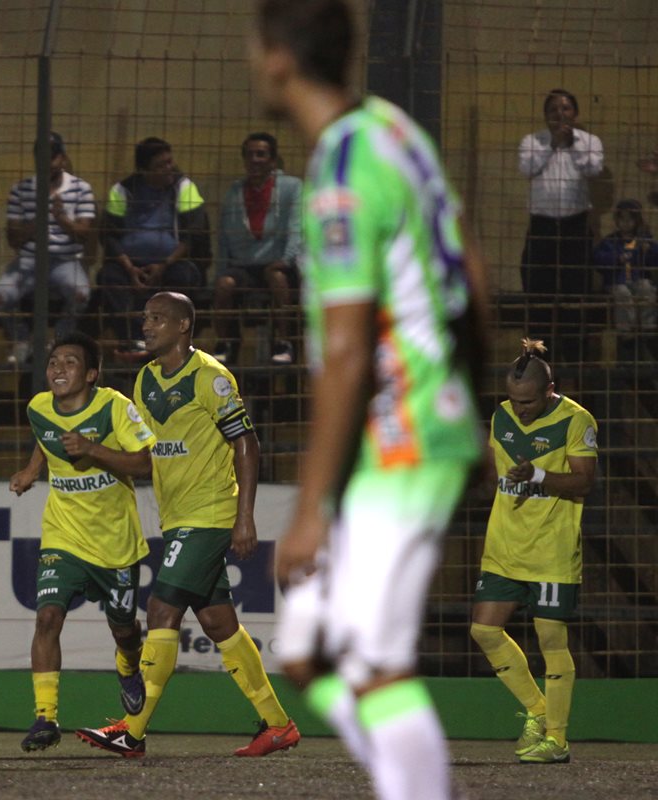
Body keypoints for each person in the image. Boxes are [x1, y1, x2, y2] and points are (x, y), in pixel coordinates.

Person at [253, 2, 489, 799]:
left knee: (376, 666)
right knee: (307, 649)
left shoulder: (342, 174)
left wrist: (311, 504)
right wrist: (476, 404)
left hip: (403, 433)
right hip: (410, 431)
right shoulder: (397, 133)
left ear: (279, 58)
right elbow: (475, 281)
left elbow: (347, 352)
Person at [76, 292, 297, 758]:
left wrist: (244, 518)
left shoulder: (211, 378)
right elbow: (146, 455)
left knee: (160, 609)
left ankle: (132, 731)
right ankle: (278, 725)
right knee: (219, 624)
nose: (147, 325)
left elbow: (246, 444)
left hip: (210, 511)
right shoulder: (145, 379)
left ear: (183, 327)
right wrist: (96, 452)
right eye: (144, 317)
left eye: (157, 318)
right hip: (177, 516)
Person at [9, 333, 154, 752]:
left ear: (91, 374)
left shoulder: (114, 407)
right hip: (64, 532)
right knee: (48, 617)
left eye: (70, 362)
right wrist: (31, 470)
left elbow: (145, 463)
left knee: (124, 630)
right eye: (53, 362)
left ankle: (128, 667)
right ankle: (45, 718)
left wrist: (94, 449)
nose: (58, 368)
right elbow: (46, 434)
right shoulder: (38, 407)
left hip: (115, 543)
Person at [471, 339, 596, 764]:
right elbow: (496, 471)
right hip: (504, 543)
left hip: (552, 549)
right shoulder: (501, 416)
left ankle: (557, 740)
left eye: (527, 401)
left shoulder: (576, 421)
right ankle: (539, 710)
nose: (519, 408)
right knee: (484, 631)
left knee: (550, 639)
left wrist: (539, 474)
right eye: (513, 400)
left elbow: (583, 482)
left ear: (549, 390)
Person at [99, 138, 210, 358]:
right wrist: (130, 269)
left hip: (170, 262)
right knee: (108, 277)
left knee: (186, 276)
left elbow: (193, 235)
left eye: (170, 162)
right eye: (161, 165)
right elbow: (109, 236)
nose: (169, 168)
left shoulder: (183, 187)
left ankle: (169, 339)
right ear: (144, 170)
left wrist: (164, 264)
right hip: (131, 265)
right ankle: (133, 338)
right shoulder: (123, 190)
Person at [0, 132, 96, 367]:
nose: (46, 164)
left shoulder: (81, 189)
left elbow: (82, 235)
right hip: (29, 260)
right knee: (0, 297)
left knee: (81, 294)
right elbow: (13, 238)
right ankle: (21, 339)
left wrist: (62, 220)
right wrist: (37, 221)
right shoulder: (22, 189)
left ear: (61, 159)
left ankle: (59, 339)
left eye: (51, 158)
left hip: (65, 260)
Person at [518, 89, 604, 361]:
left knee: (575, 291)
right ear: (546, 116)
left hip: (575, 226)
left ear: (575, 114)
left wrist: (572, 144)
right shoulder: (533, 141)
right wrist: (553, 144)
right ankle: (538, 357)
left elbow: (594, 169)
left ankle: (576, 354)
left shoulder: (589, 141)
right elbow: (526, 168)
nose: (560, 114)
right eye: (553, 109)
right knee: (536, 290)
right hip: (542, 226)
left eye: (566, 108)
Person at [213, 132, 302, 365]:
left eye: (261, 154)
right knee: (224, 285)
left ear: (272, 160)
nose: (255, 159)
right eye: (250, 155)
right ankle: (226, 343)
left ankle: (284, 342)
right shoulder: (234, 193)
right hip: (244, 266)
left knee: (277, 277)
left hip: (277, 263)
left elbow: (297, 226)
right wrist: (221, 271)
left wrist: (287, 259)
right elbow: (224, 236)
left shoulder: (292, 188)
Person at [592, 199, 658, 341]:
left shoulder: (643, 239)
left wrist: (650, 250)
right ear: (617, 220)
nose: (626, 223)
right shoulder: (610, 241)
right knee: (623, 293)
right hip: (617, 281)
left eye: (630, 219)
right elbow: (598, 260)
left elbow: (654, 260)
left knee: (646, 288)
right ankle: (626, 331)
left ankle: (649, 327)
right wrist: (617, 259)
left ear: (637, 221)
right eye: (622, 219)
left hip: (637, 279)